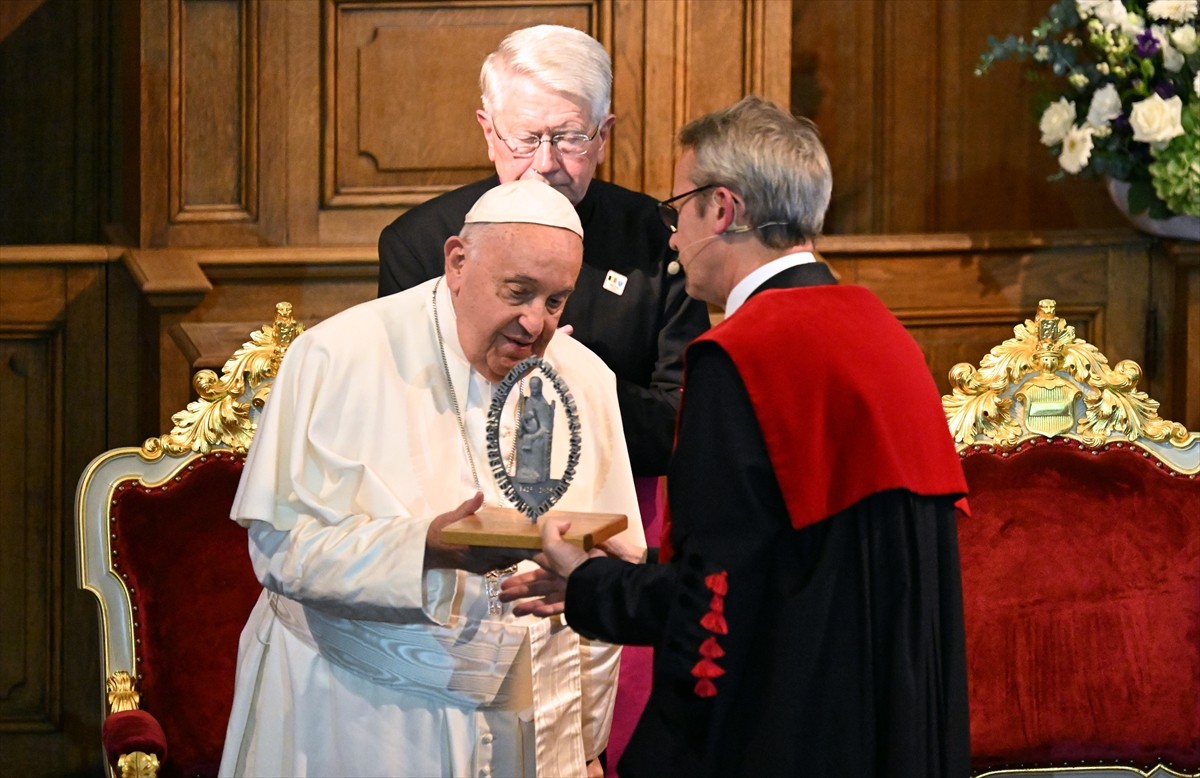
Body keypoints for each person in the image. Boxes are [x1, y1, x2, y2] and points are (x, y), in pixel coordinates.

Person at [500, 97, 972, 777]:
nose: (670, 238)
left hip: (784, 734)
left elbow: (716, 612)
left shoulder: (740, 356)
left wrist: (590, 585)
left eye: (677, 211)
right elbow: (795, 557)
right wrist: (653, 559)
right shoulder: (882, 332)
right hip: (890, 729)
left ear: (722, 209)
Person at [219, 180, 646, 777]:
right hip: (359, 720)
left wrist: (583, 586)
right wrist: (425, 548)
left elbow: (616, 557)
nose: (535, 324)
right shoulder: (337, 357)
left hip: (532, 726)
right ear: (458, 262)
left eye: (555, 302)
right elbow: (281, 550)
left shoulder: (584, 379)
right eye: (517, 292)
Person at [376, 24, 710, 481]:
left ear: (603, 137)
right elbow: (399, 413)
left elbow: (685, 423)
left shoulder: (659, 240)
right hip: (457, 504)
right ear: (489, 132)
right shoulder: (418, 242)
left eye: (570, 137)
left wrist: (575, 380)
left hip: (611, 505)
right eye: (526, 138)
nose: (546, 163)